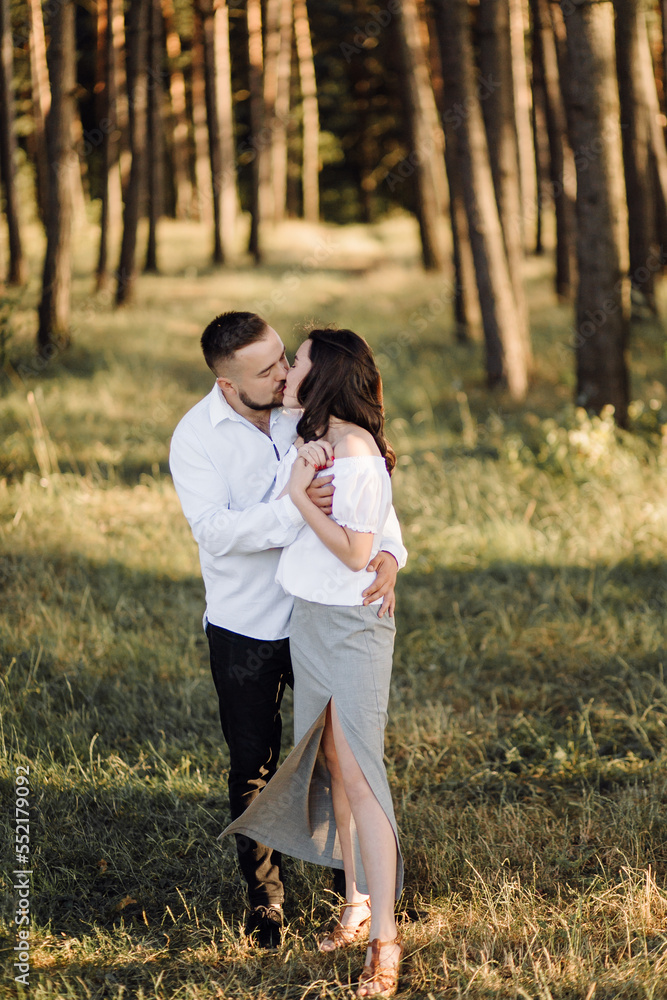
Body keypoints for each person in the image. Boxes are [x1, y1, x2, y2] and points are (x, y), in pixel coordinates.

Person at [168, 312, 407, 949]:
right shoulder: (195, 438)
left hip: (318, 616)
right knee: (254, 762)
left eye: (283, 358)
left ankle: (356, 890)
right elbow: (215, 531)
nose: (281, 375)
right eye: (266, 370)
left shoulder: (303, 407)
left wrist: (390, 551)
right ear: (227, 384)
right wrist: (296, 509)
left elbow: (367, 490)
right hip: (246, 624)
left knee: (340, 755)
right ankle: (266, 898)